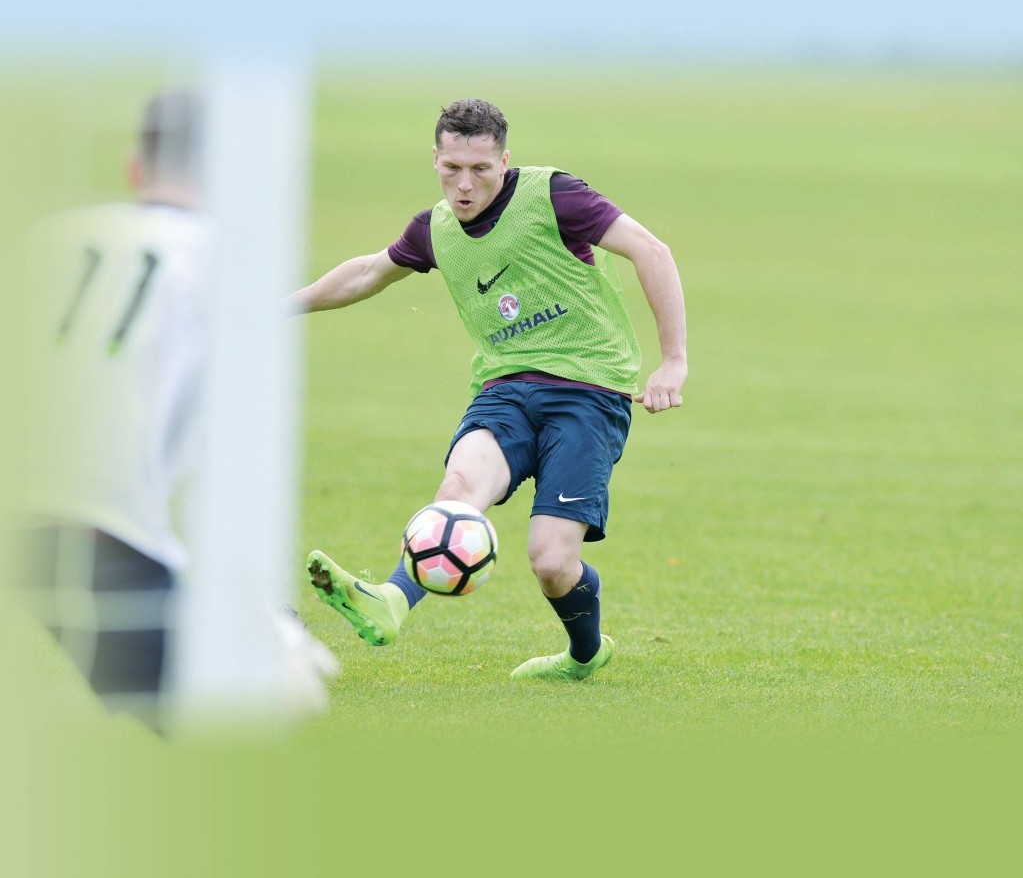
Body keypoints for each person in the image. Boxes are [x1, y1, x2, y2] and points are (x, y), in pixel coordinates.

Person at [290, 98, 686, 681]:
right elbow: (369, 272)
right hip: (504, 390)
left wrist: (672, 361)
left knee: (551, 562)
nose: (464, 184)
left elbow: (652, 251)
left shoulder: (554, 195)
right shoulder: (434, 229)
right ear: (434, 158)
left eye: (480, 169)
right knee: (457, 489)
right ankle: (391, 600)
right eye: (452, 168)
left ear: (504, 160)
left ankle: (584, 654)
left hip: (588, 391)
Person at [14, 89, 336, 730]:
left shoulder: (46, 238)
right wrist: (261, 619)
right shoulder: (228, 270)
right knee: (263, 709)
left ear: (136, 166)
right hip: (91, 531)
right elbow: (226, 470)